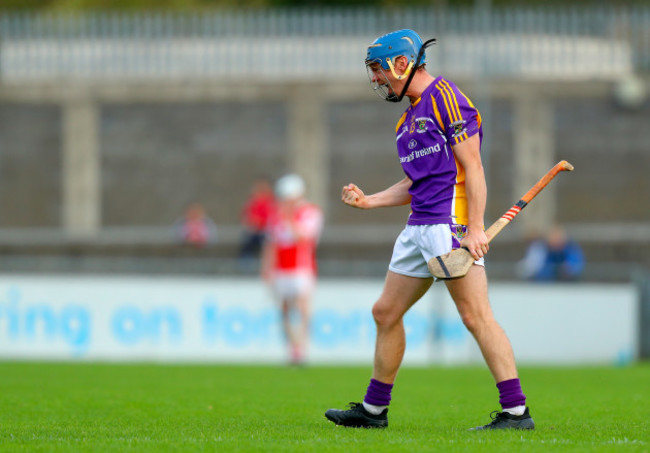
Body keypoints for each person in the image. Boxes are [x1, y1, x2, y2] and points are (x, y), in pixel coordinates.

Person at [324, 29, 534, 430]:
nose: (376, 79)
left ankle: (516, 411)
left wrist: (474, 228)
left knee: (475, 317)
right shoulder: (407, 119)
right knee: (385, 312)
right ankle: (373, 412)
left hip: (449, 226)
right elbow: (414, 183)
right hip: (418, 227)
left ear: (401, 63)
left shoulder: (446, 98)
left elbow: (472, 166)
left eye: (378, 69)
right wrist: (370, 200)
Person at [261, 174, 323, 365]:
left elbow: (304, 238)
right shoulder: (275, 214)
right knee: (285, 308)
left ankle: (302, 348)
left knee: (303, 306)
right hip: (281, 268)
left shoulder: (310, 212)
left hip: (302, 267)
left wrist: (288, 218)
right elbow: (271, 242)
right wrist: (266, 268)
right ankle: (293, 348)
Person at [518, 224, 585, 282]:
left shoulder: (571, 249)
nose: (556, 239)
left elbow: (576, 266)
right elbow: (530, 268)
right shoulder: (540, 249)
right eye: (553, 236)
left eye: (558, 237)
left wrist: (564, 270)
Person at [239, 178, 275, 270]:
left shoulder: (270, 201)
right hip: (254, 231)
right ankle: (246, 266)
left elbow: (271, 218)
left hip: (266, 231)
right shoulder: (252, 202)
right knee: (247, 244)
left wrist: (260, 222)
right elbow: (246, 217)